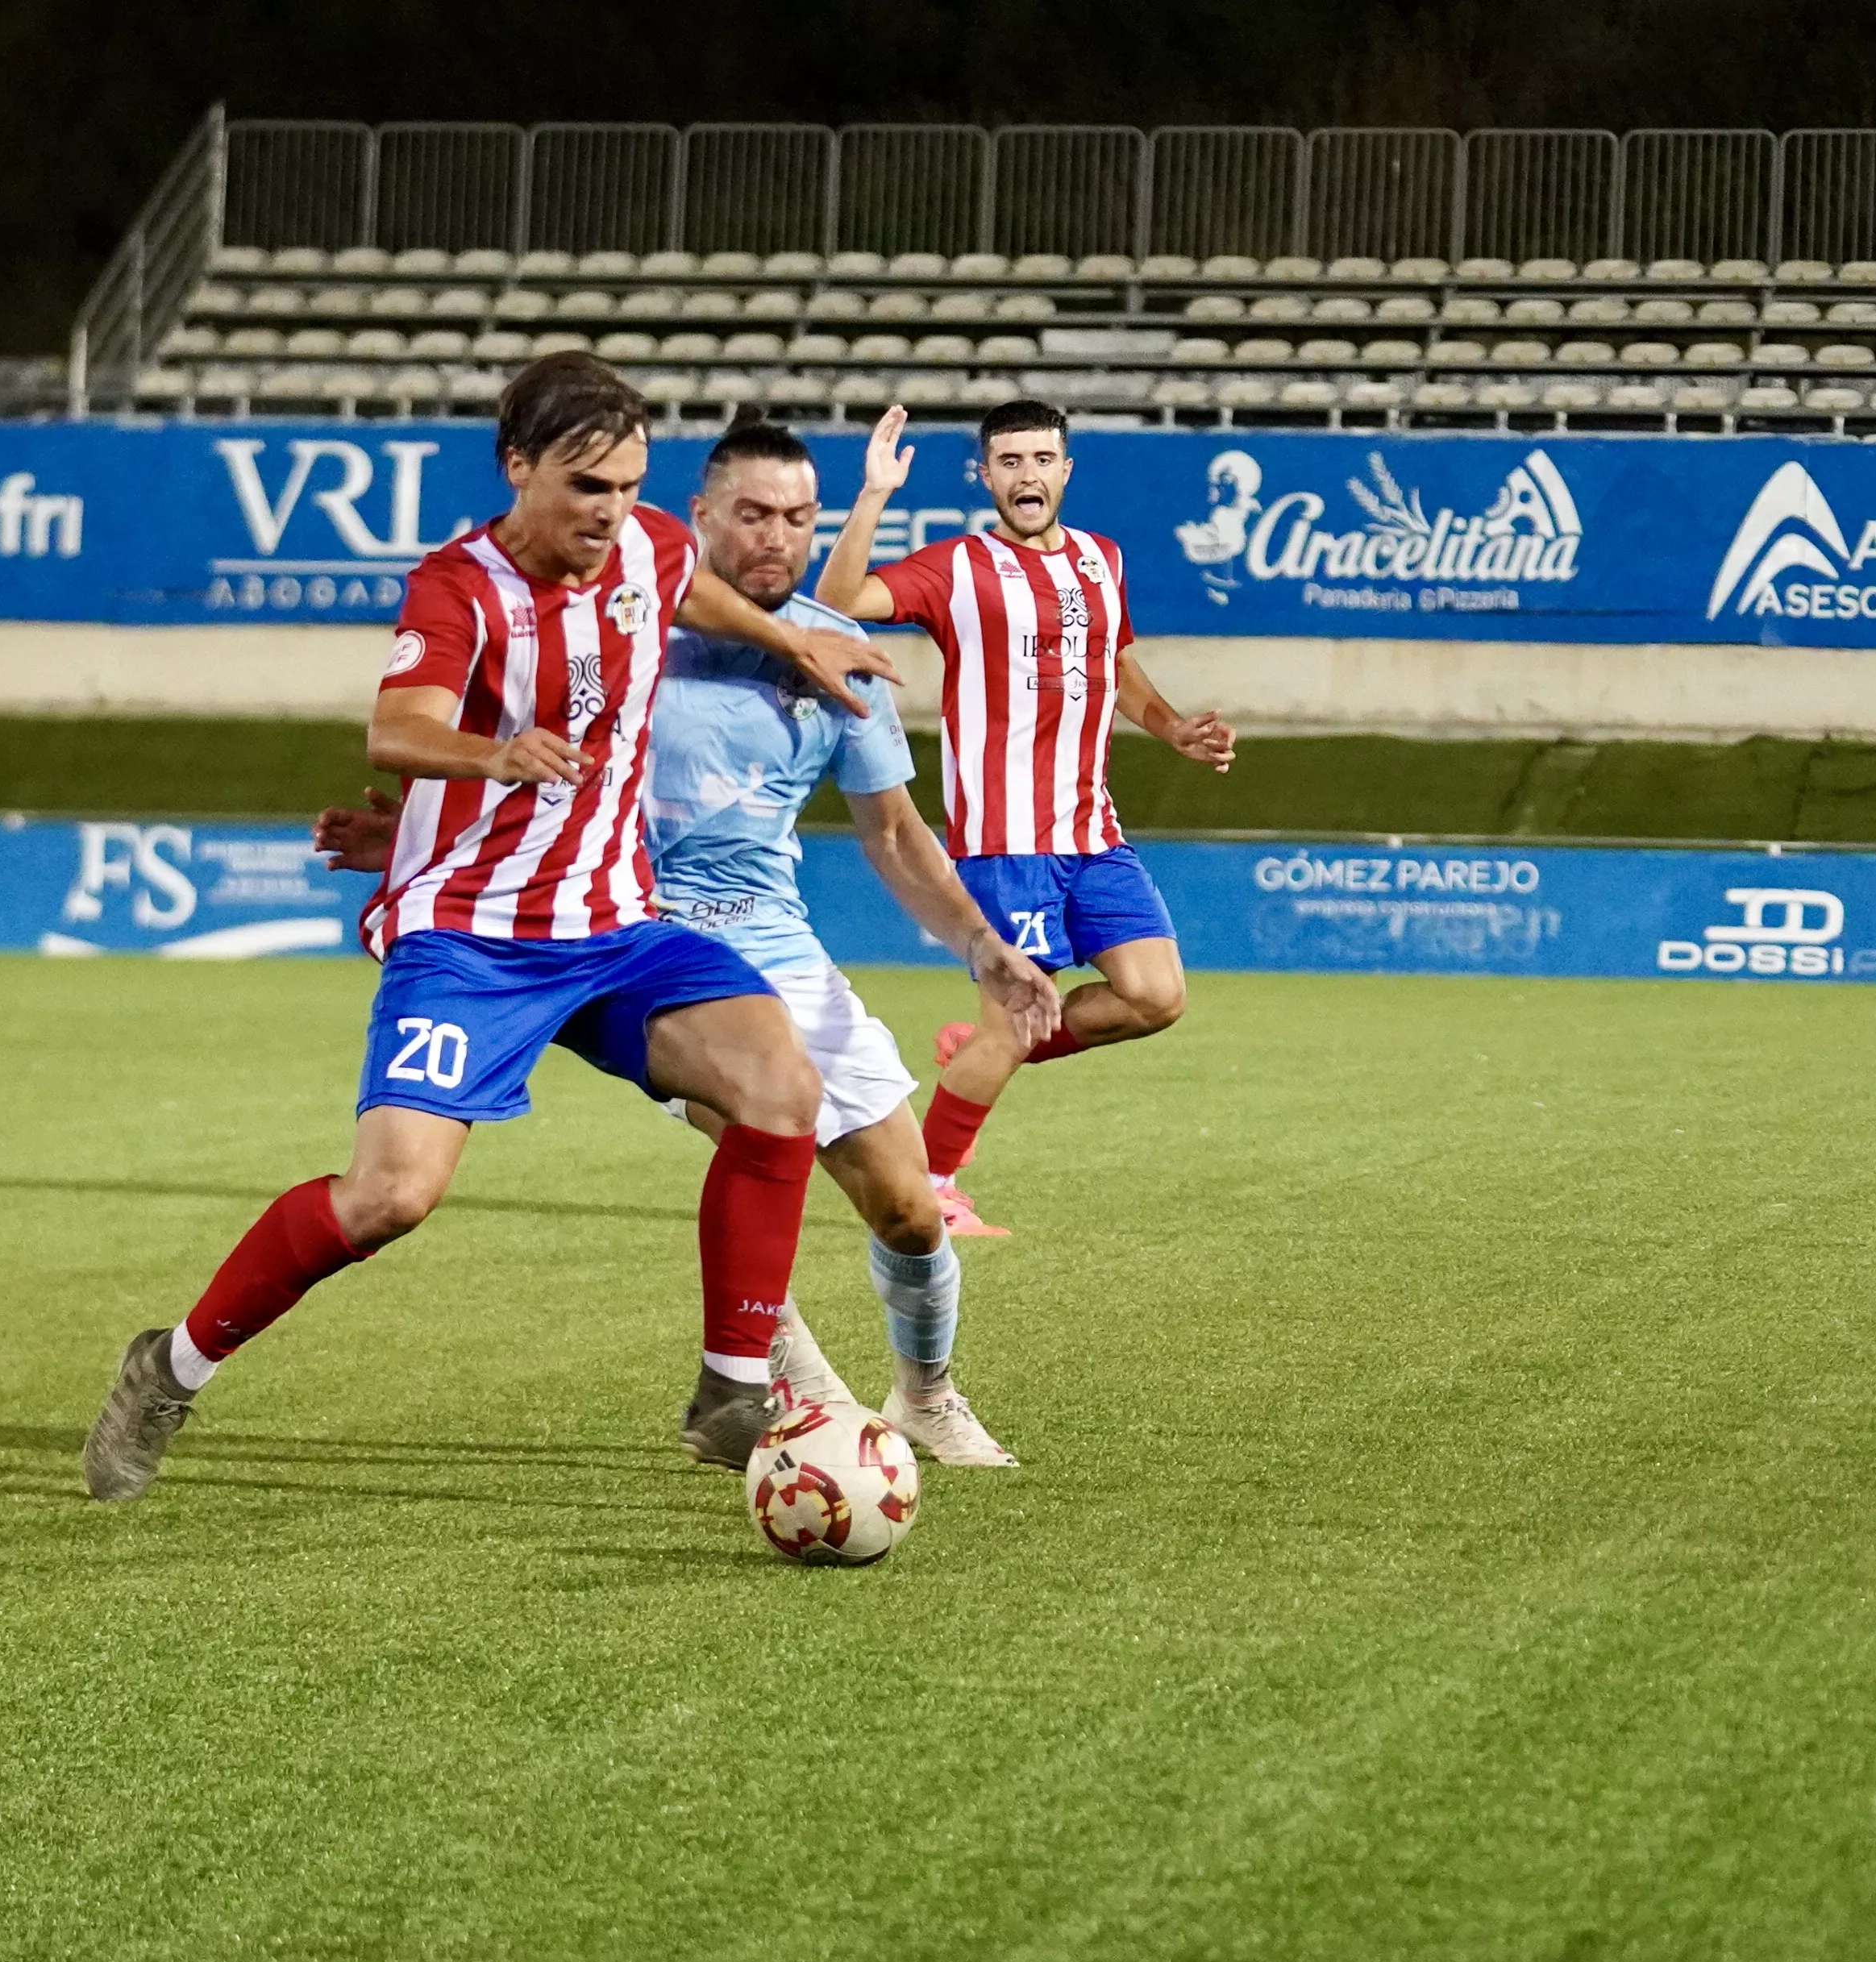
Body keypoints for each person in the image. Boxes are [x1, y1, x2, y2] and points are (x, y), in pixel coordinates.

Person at [82, 355, 898, 1503]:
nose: (609, 514)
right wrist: (493, 759)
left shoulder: (650, 548)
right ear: (518, 469)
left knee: (780, 1090)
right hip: (471, 941)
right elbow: (398, 727)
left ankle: (728, 1391)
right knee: (391, 1198)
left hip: (616, 927)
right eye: (584, 487)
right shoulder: (457, 587)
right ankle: (167, 1368)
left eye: (626, 485)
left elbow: (682, 587)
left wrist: (794, 641)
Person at [311, 420, 1063, 1466]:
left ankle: (925, 1395)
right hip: (639, 946)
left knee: (905, 1207)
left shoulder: (828, 651)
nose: (777, 537)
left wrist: (985, 949)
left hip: (778, 945)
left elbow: (894, 835)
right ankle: (784, 1399)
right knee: (767, 1137)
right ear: (697, 518)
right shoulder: (613, 631)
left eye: (798, 518)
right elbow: (528, 784)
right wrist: (408, 841)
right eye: (752, 515)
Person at [815, 401, 1236, 1237]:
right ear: (986, 476)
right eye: (1008, 461)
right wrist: (872, 494)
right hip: (1007, 844)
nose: (1027, 475)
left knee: (1156, 995)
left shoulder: (1100, 559)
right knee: (1010, 1022)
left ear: (1065, 470)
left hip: (1094, 834)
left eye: (1041, 459)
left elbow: (1115, 663)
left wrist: (1174, 727)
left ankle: (992, 1047)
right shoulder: (956, 567)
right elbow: (837, 600)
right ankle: (931, 1183)